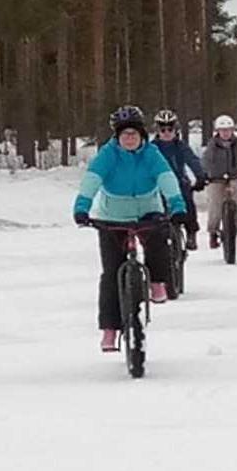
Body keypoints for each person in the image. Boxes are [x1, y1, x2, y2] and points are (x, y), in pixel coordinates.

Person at [73, 105, 187, 352]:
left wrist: (177, 204)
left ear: (142, 135)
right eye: (124, 134)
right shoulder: (108, 155)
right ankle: (110, 330)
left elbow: (166, 178)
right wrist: (82, 207)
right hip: (112, 217)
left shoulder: (152, 154)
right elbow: (92, 180)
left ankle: (158, 281)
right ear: (117, 136)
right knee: (111, 275)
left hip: (148, 212)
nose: (129, 139)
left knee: (160, 239)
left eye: (134, 134)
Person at [151, 108, 207, 250]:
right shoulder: (151, 148)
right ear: (157, 131)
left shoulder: (180, 146)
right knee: (153, 210)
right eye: (162, 130)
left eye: (170, 129)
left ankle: (191, 233)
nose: (167, 133)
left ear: (176, 130)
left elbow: (192, 160)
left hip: (178, 182)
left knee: (187, 201)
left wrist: (200, 176)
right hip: (156, 184)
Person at [201, 114, 237, 249]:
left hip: (235, 174)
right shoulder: (212, 145)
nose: (225, 133)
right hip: (216, 177)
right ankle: (213, 232)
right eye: (222, 130)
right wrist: (203, 174)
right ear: (218, 131)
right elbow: (206, 160)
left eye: (228, 130)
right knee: (215, 203)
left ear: (232, 130)